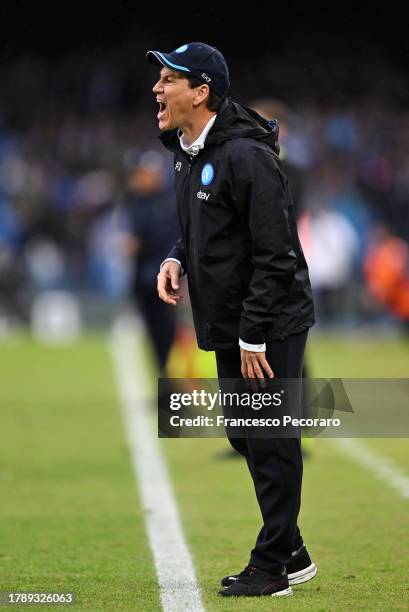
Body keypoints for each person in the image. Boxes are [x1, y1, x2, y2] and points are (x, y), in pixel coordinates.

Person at [147, 42, 316, 598]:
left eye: (169, 79)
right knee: (244, 433)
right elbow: (205, 218)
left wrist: (254, 332)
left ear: (201, 92)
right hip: (228, 314)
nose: (157, 88)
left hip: (268, 319)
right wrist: (177, 254)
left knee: (270, 439)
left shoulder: (246, 156)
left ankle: (273, 567)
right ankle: (289, 544)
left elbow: (278, 253)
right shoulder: (186, 148)